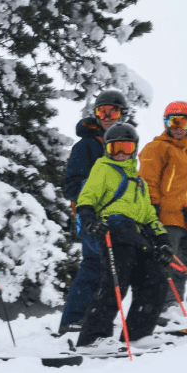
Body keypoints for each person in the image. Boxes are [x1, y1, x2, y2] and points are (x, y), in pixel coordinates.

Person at [76, 124, 173, 348]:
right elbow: (87, 197)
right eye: (115, 147)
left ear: (134, 149)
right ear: (107, 149)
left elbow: (149, 216)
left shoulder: (139, 182)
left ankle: (138, 335)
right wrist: (89, 220)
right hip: (114, 231)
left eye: (126, 147)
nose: (120, 153)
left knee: (155, 281)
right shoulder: (103, 168)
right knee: (115, 284)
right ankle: (92, 339)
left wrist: (163, 241)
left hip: (138, 235)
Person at [58, 89, 130, 335]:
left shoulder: (121, 146)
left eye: (113, 111)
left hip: (115, 218)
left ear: (123, 114)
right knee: (97, 265)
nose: (107, 116)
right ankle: (76, 319)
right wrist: (91, 204)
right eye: (102, 111)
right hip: (91, 217)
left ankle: (87, 318)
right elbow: (72, 184)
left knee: (103, 266)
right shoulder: (86, 145)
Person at [137, 101, 187, 310]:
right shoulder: (156, 148)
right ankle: (159, 309)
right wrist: (152, 206)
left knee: (185, 268)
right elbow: (147, 180)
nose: (178, 127)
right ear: (166, 123)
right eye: (174, 121)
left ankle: (176, 307)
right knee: (164, 266)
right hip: (165, 219)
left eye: (183, 122)